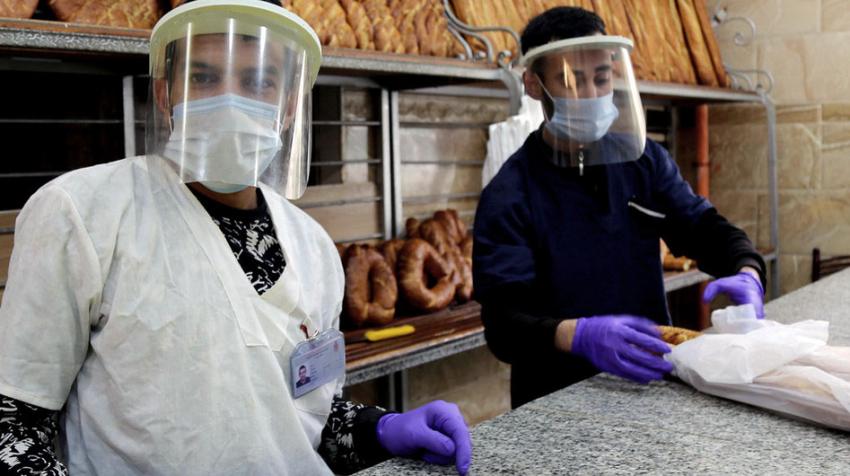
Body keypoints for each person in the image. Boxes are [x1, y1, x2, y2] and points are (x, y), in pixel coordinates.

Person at [0, 1, 471, 475]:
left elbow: (304, 421)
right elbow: (13, 428)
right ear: (165, 95)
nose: (229, 100)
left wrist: (378, 429)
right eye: (203, 78)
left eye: (258, 82)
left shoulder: (312, 247)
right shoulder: (83, 214)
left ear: (288, 104)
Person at [473, 7, 766, 409]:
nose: (591, 94)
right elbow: (504, 327)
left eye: (601, 77)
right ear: (533, 84)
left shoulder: (643, 164)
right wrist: (578, 335)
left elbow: (702, 227)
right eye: (571, 79)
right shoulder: (510, 193)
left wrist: (746, 269)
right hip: (553, 405)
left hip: (649, 385)